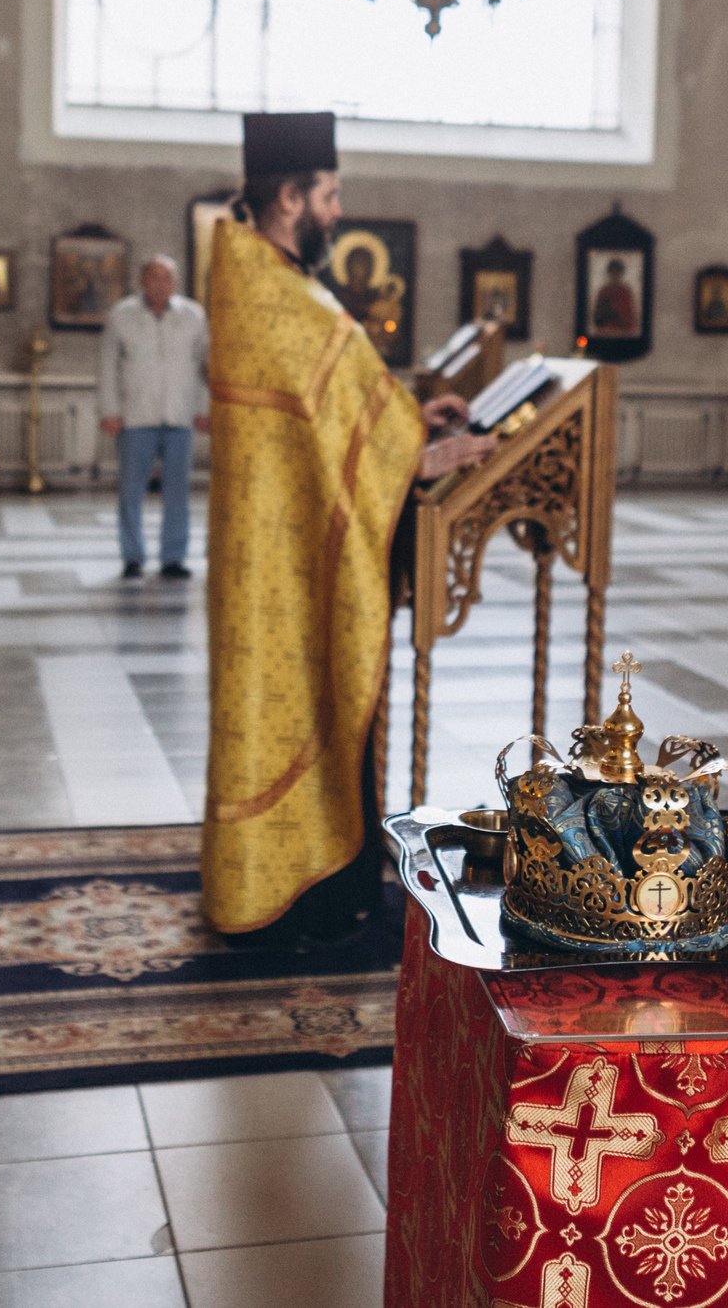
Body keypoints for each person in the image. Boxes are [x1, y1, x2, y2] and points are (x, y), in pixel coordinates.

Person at [201, 112, 494, 944]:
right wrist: (425, 456)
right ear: (290, 195)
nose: (337, 211)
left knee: (307, 704)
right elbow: (329, 410)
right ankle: (302, 892)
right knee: (290, 705)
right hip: (280, 556)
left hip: (287, 542)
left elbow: (329, 406)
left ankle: (319, 880)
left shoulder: (265, 272)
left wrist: (407, 409)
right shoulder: (269, 284)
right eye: (328, 195)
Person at [98, 255, 209, 580]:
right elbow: (107, 366)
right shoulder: (122, 316)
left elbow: (205, 366)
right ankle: (132, 557)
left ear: (175, 283)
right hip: (135, 416)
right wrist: (110, 411)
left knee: (178, 491)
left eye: (167, 278)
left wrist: (202, 409)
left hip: (180, 415)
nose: (160, 283)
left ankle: (172, 558)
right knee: (131, 490)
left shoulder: (193, 316)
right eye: (154, 277)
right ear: (143, 281)